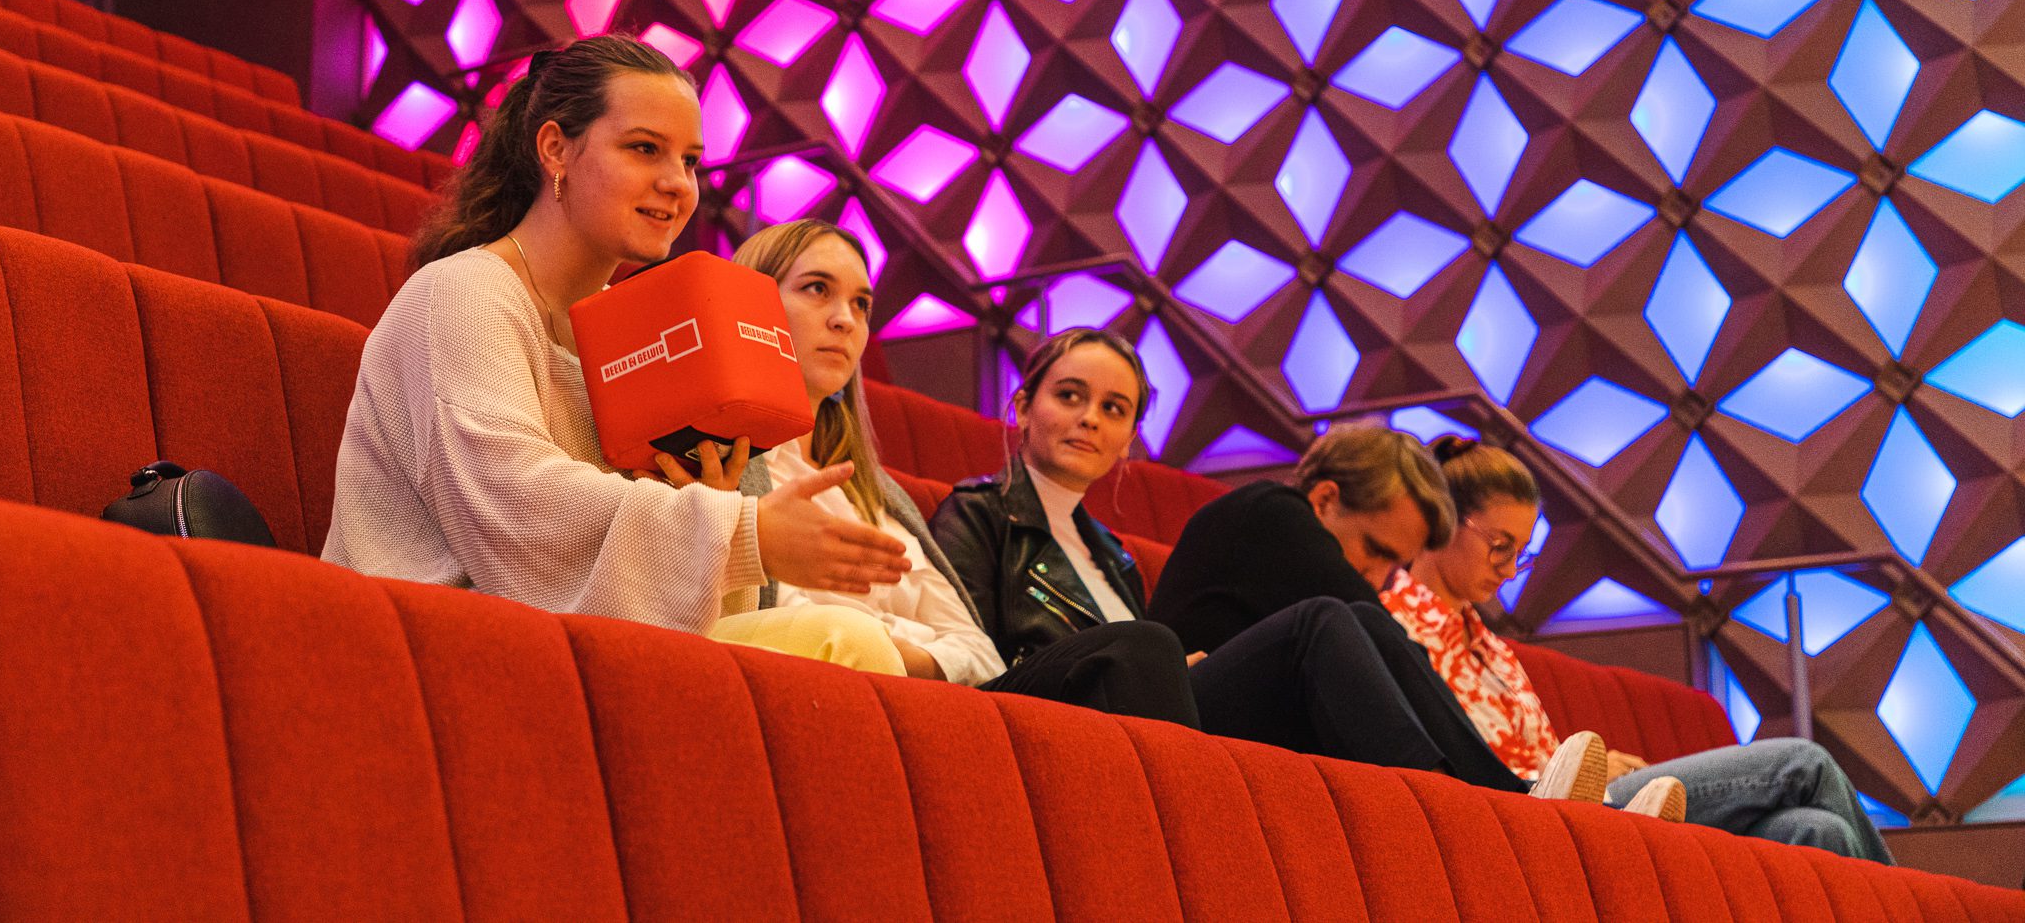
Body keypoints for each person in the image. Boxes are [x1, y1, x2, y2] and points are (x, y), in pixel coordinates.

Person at [323, 37, 912, 669]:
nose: (677, 184)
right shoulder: (461, 293)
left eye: (690, 161)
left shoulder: (633, 330)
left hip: (579, 649)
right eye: (644, 148)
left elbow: (652, 593)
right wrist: (745, 532)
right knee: (844, 642)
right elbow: (515, 509)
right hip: (434, 648)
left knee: (847, 642)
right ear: (556, 148)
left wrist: (706, 496)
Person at [930, 329, 1655, 806]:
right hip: (1050, 716)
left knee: (1338, 622)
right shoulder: (980, 513)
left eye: (1114, 407)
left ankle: (1510, 797)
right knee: (1325, 622)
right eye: (1070, 396)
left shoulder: (1111, 554)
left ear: (1128, 437)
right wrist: (1155, 657)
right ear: (1022, 405)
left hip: (1158, 717)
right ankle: (1487, 799)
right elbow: (971, 657)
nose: (1091, 417)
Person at [698, 220, 1201, 721]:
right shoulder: (711, 456)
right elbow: (772, 624)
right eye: (817, 289)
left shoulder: (879, 495)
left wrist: (893, 649)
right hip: (831, 697)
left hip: (926, 704)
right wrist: (905, 645)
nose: (845, 320)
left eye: (862, 304)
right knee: (1142, 648)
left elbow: (978, 653)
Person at [1384, 436, 1895, 862]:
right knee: (1802, 761)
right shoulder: (1395, 630)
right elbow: (1446, 768)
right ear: (1443, 522)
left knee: (1818, 830)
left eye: (1522, 553)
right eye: (1500, 546)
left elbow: (1546, 756)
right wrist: (1569, 775)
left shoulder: (1493, 648)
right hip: (1529, 813)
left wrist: (1594, 765)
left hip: (1578, 800)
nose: (1511, 569)